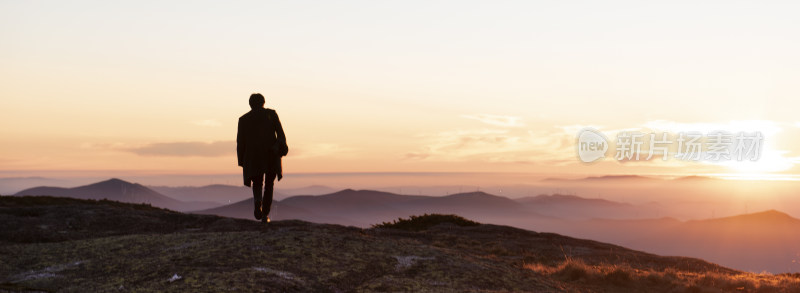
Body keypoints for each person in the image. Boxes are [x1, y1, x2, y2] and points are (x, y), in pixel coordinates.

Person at [237, 93, 287, 223]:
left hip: (253, 157)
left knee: (257, 182)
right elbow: (281, 134)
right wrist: (280, 147)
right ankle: (265, 214)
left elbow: (240, 142)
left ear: (250, 104)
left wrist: (242, 161)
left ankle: (257, 201)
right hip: (270, 154)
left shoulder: (243, 119)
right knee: (269, 184)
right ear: (263, 102)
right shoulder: (271, 114)